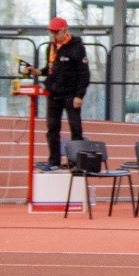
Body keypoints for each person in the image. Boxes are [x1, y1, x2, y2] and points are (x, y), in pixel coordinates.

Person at [34, 17, 90, 170]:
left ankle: (76, 161)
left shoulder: (77, 47)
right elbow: (50, 68)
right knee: (52, 129)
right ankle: (54, 161)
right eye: (52, 33)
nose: (54, 36)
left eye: (56, 32)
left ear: (65, 30)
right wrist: (38, 71)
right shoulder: (51, 47)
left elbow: (84, 73)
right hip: (53, 94)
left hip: (71, 95)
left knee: (75, 128)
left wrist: (80, 95)